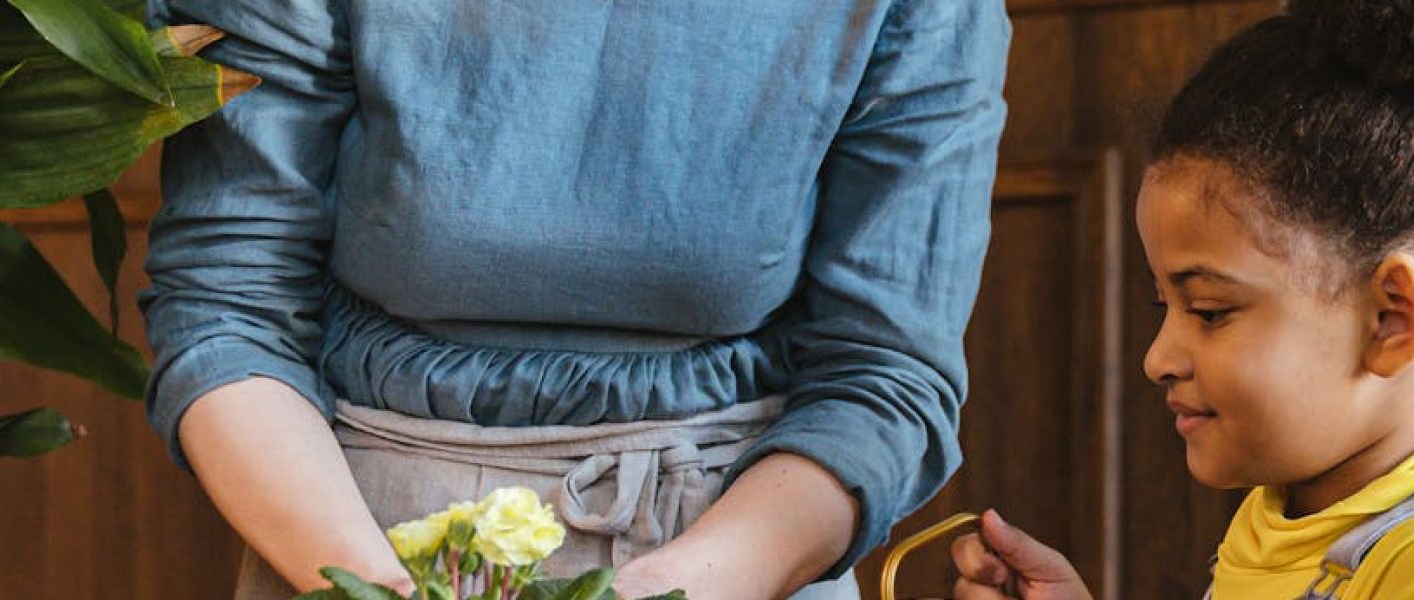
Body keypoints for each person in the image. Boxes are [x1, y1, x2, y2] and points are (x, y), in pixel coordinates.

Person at [137, 1, 1010, 598]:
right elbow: (227, 306)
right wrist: (385, 588)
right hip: (353, 542)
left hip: (742, 559)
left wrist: (681, 588)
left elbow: (884, 373)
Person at [949, 0, 1414, 597]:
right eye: (1165, 308)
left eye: (1210, 311)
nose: (1158, 359)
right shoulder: (1286, 516)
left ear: (1392, 318)